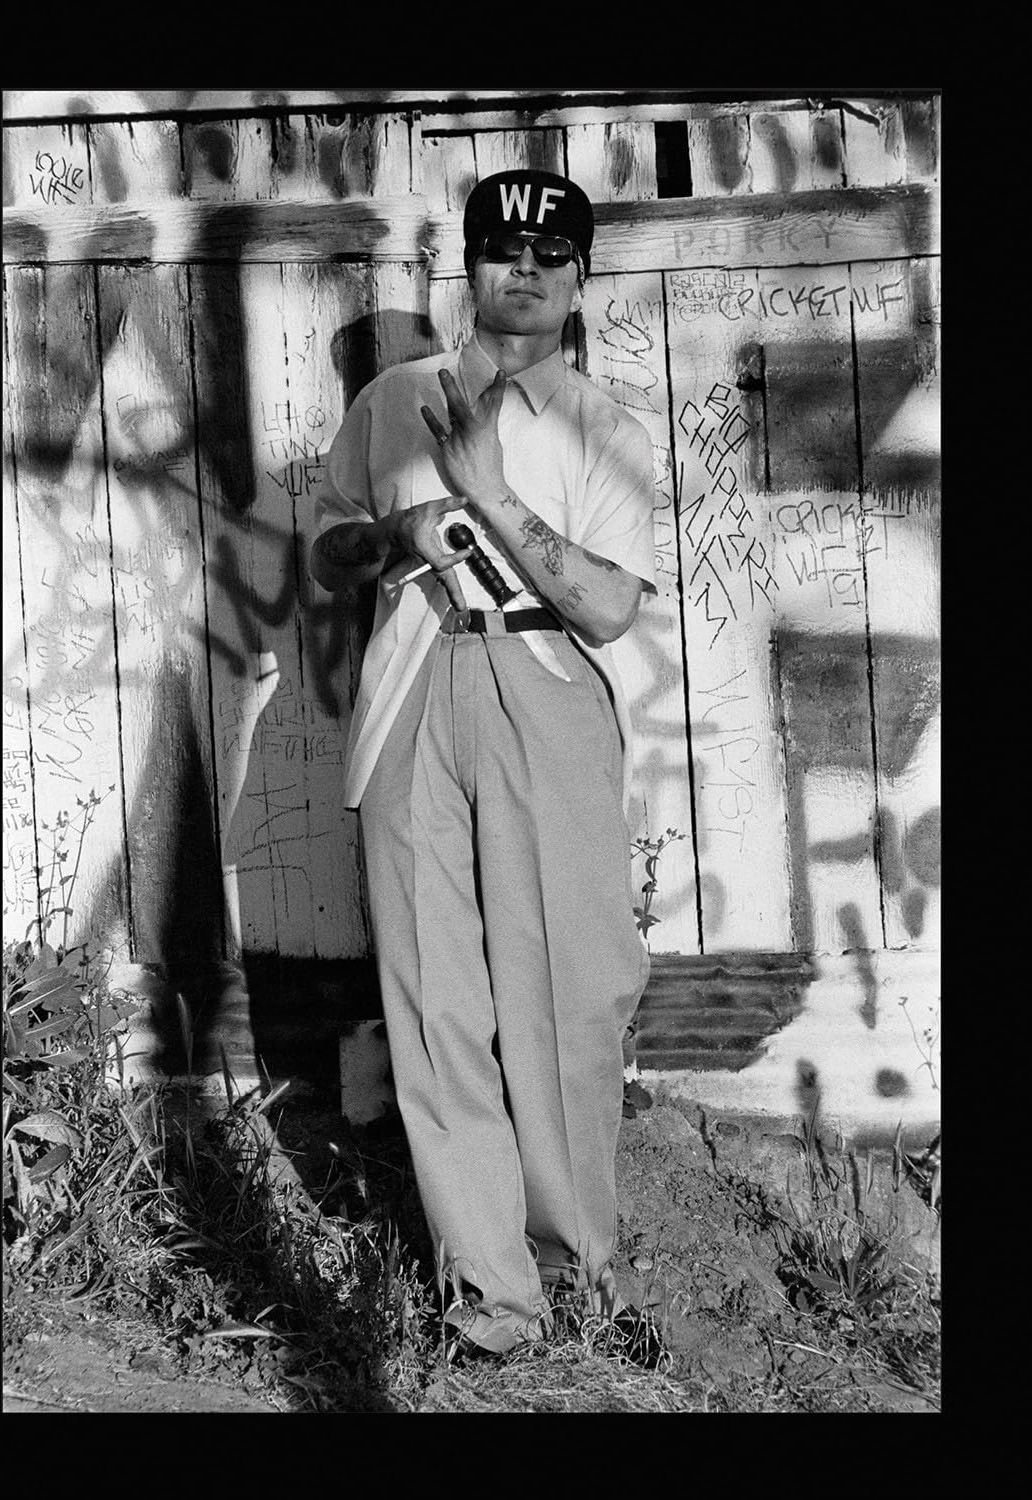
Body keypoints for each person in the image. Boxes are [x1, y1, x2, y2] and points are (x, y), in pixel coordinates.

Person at [310, 169, 659, 1358]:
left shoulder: (605, 428)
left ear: (577, 277)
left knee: (569, 992)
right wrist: (391, 537)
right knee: (434, 1005)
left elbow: (607, 609)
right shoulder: (395, 397)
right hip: (413, 687)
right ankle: (492, 1296)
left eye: (548, 254)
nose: (522, 271)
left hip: (543, 689)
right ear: (465, 266)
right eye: (498, 250)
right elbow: (328, 554)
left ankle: (582, 1270)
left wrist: (491, 499)